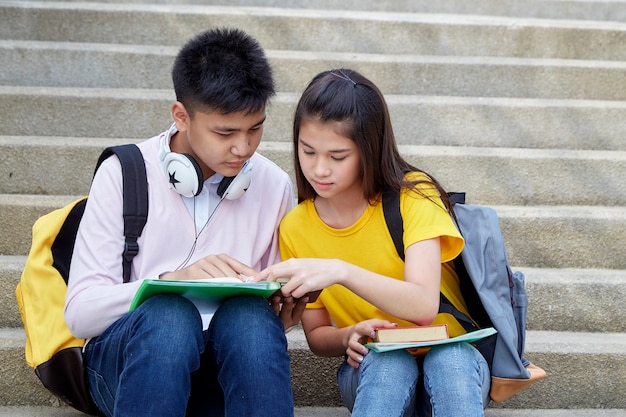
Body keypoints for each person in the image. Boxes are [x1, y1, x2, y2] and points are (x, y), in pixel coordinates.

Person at [64, 27, 303, 417]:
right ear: (181, 116)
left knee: (250, 318)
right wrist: (168, 283)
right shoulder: (123, 172)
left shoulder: (273, 184)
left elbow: (263, 316)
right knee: (169, 315)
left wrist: (284, 312)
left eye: (255, 128)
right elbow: (79, 314)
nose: (243, 148)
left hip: (219, 377)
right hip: (128, 367)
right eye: (225, 132)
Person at [255, 69, 491, 417]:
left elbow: (423, 305)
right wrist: (349, 334)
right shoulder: (296, 227)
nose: (319, 169)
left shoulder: (414, 195)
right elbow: (318, 334)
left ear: (368, 149)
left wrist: (340, 271)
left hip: (455, 369)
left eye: (337, 157)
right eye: (308, 152)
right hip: (375, 374)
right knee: (387, 359)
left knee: (450, 358)